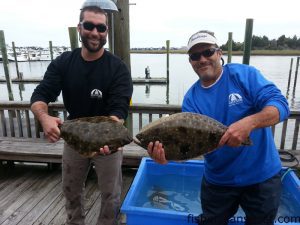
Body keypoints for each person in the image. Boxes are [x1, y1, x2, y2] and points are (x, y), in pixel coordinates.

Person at [147, 30, 290, 225]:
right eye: (195, 56)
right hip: (218, 181)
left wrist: (250, 122)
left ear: (219, 53)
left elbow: (280, 105)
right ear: (190, 61)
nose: (202, 59)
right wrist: (166, 157)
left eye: (208, 52)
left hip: (262, 177)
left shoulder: (244, 75)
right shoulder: (191, 99)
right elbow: (187, 146)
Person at [30, 5, 133, 225]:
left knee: (111, 195)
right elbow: (40, 94)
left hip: (108, 144)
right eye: (89, 26)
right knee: (71, 190)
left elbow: (119, 110)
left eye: (101, 28)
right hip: (73, 141)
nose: (95, 32)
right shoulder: (64, 62)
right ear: (79, 28)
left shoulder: (118, 68)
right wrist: (45, 117)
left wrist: (109, 137)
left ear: (106, 32)